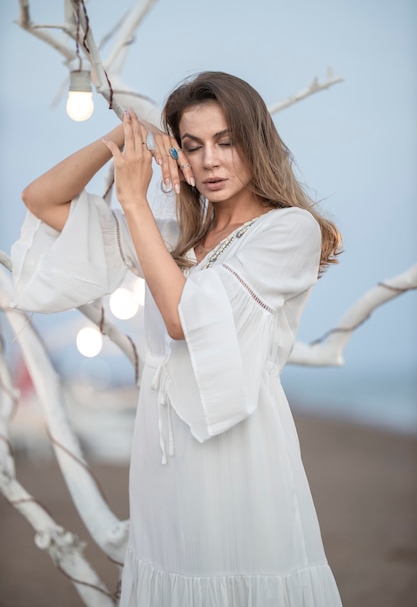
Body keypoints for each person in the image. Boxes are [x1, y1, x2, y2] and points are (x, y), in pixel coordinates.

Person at [12, 71, 343, 606]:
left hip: (240, 449)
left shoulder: (289, 230)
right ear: (178, 156)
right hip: (163, 453)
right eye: (193, 146)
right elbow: (42, 201)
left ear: (256, 142)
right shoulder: (176, 234)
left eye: (226, 141)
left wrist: (135, 201)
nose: (209, 160)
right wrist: (121, 140)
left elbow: (183, 319)